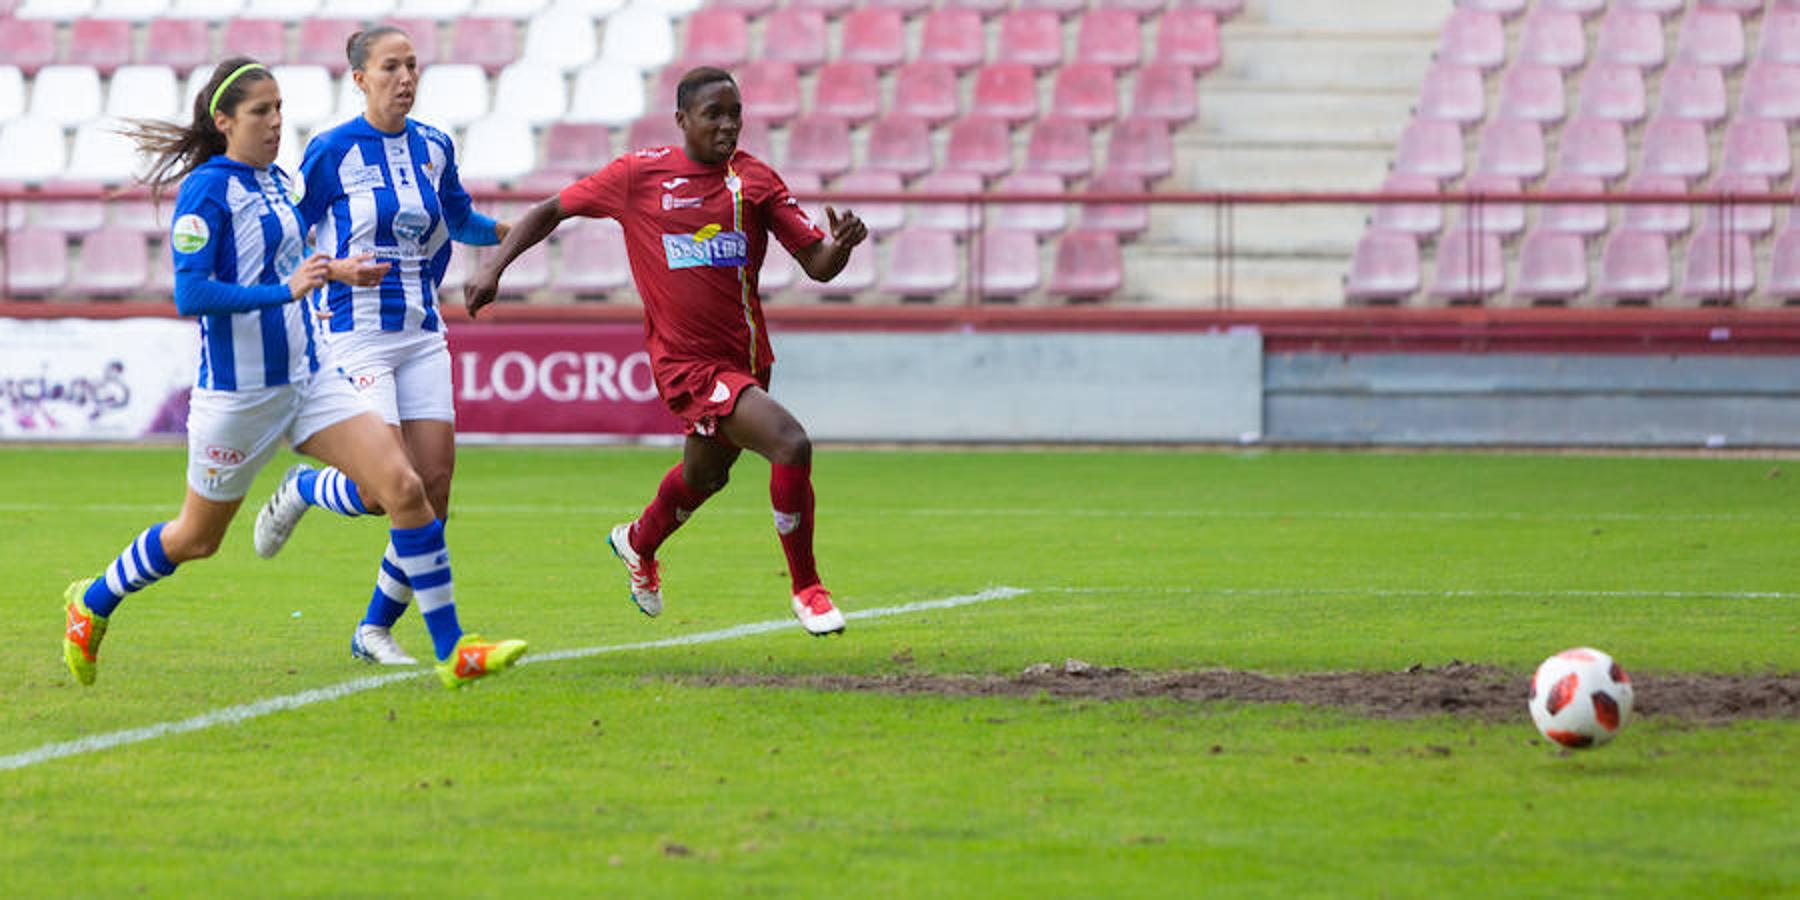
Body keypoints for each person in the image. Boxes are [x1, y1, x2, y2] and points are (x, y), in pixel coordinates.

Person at [61, 57, 526, 689]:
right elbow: (191, 296)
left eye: (280, 109)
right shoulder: (206, 191)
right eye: (261, 111)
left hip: (310, 379)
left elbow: (293, 260)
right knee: (196, 538)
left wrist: (335, 270)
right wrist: (289, 289)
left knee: (406, 488)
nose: (276, 122)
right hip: (240, 396)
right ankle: (92, 602)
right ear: (224, 122)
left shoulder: (278, 182)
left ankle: (454, 650)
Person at [464, 66, 868, 636]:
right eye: (714, 115)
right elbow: (550, 209)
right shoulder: (639, 175)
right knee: (790, 443)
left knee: (705, 478)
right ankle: (808, 589)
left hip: (748, 360)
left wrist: (841, 247)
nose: (728, 126)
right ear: (683, 120)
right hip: (688, 366)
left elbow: (818, 266)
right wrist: (492, 267)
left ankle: (637, 541)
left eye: (735, 115)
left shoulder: (756, 181)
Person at [249, 25, 511, 667]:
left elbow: (462, 219)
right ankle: (306, 489)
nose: (406, 78)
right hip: (354, 333)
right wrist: (334, 268)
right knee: (380, 491)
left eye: (413, 66)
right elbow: (290, 236)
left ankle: (373, 630)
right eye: (391, 67)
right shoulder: (331, 151)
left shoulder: (434, 146)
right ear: (361, 79)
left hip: (421, 333)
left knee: (434, 490)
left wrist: (526, 228)